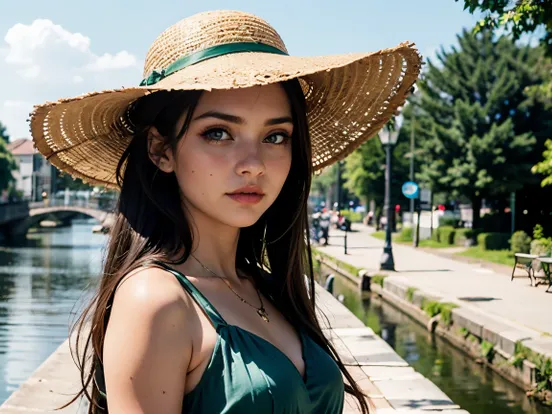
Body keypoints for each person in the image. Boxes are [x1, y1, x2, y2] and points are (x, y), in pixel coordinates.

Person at [29, 10, 420, 414]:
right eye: (218, 133)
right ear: (161, 150)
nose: (253, 163)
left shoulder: (265, 286)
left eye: (275, 136)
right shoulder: (157, 301)